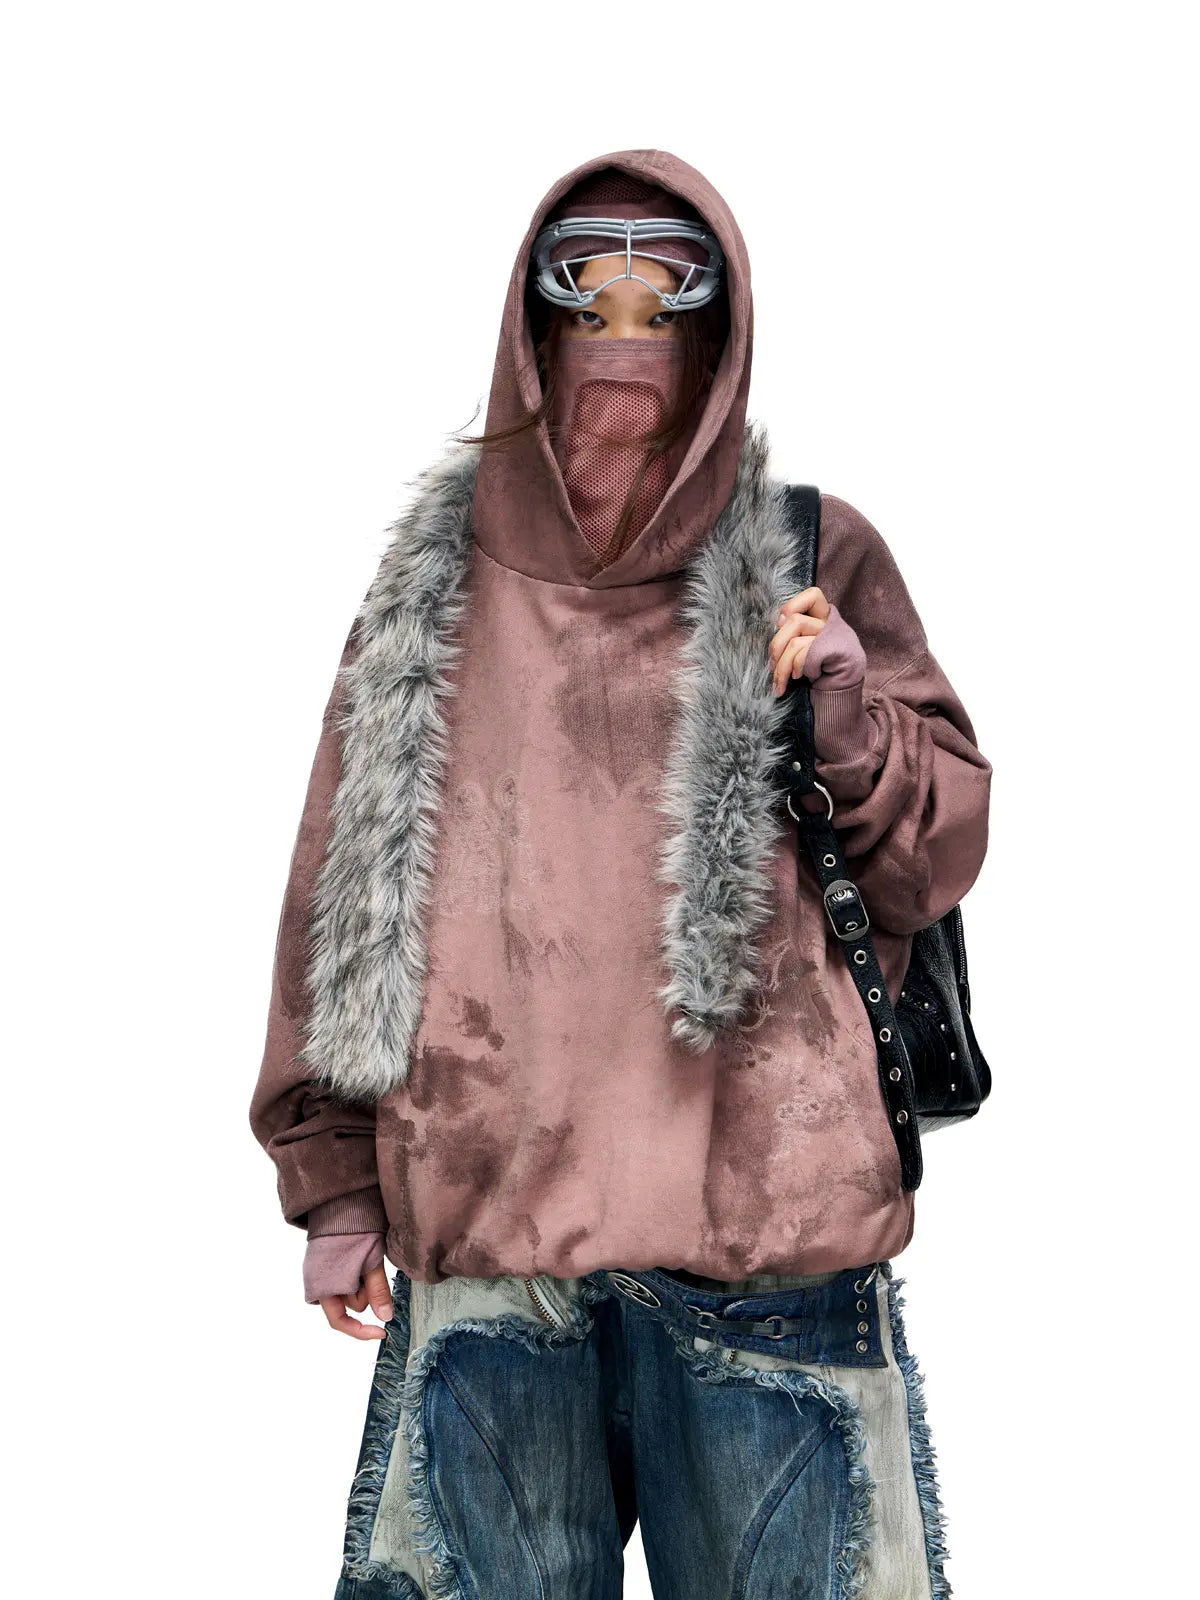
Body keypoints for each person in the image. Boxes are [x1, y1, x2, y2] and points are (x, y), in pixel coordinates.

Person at [250, 149, 991, 1599]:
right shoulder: (434, 581)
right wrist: (333, 1178)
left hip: (768, 1255)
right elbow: (342, 883)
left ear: (720, 336)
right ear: (532, 330)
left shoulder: (808, 555)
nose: (625, 334)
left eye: (664, 300)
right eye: (589, 298)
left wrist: (847, 713)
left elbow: (935, 858)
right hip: (492, 1248)